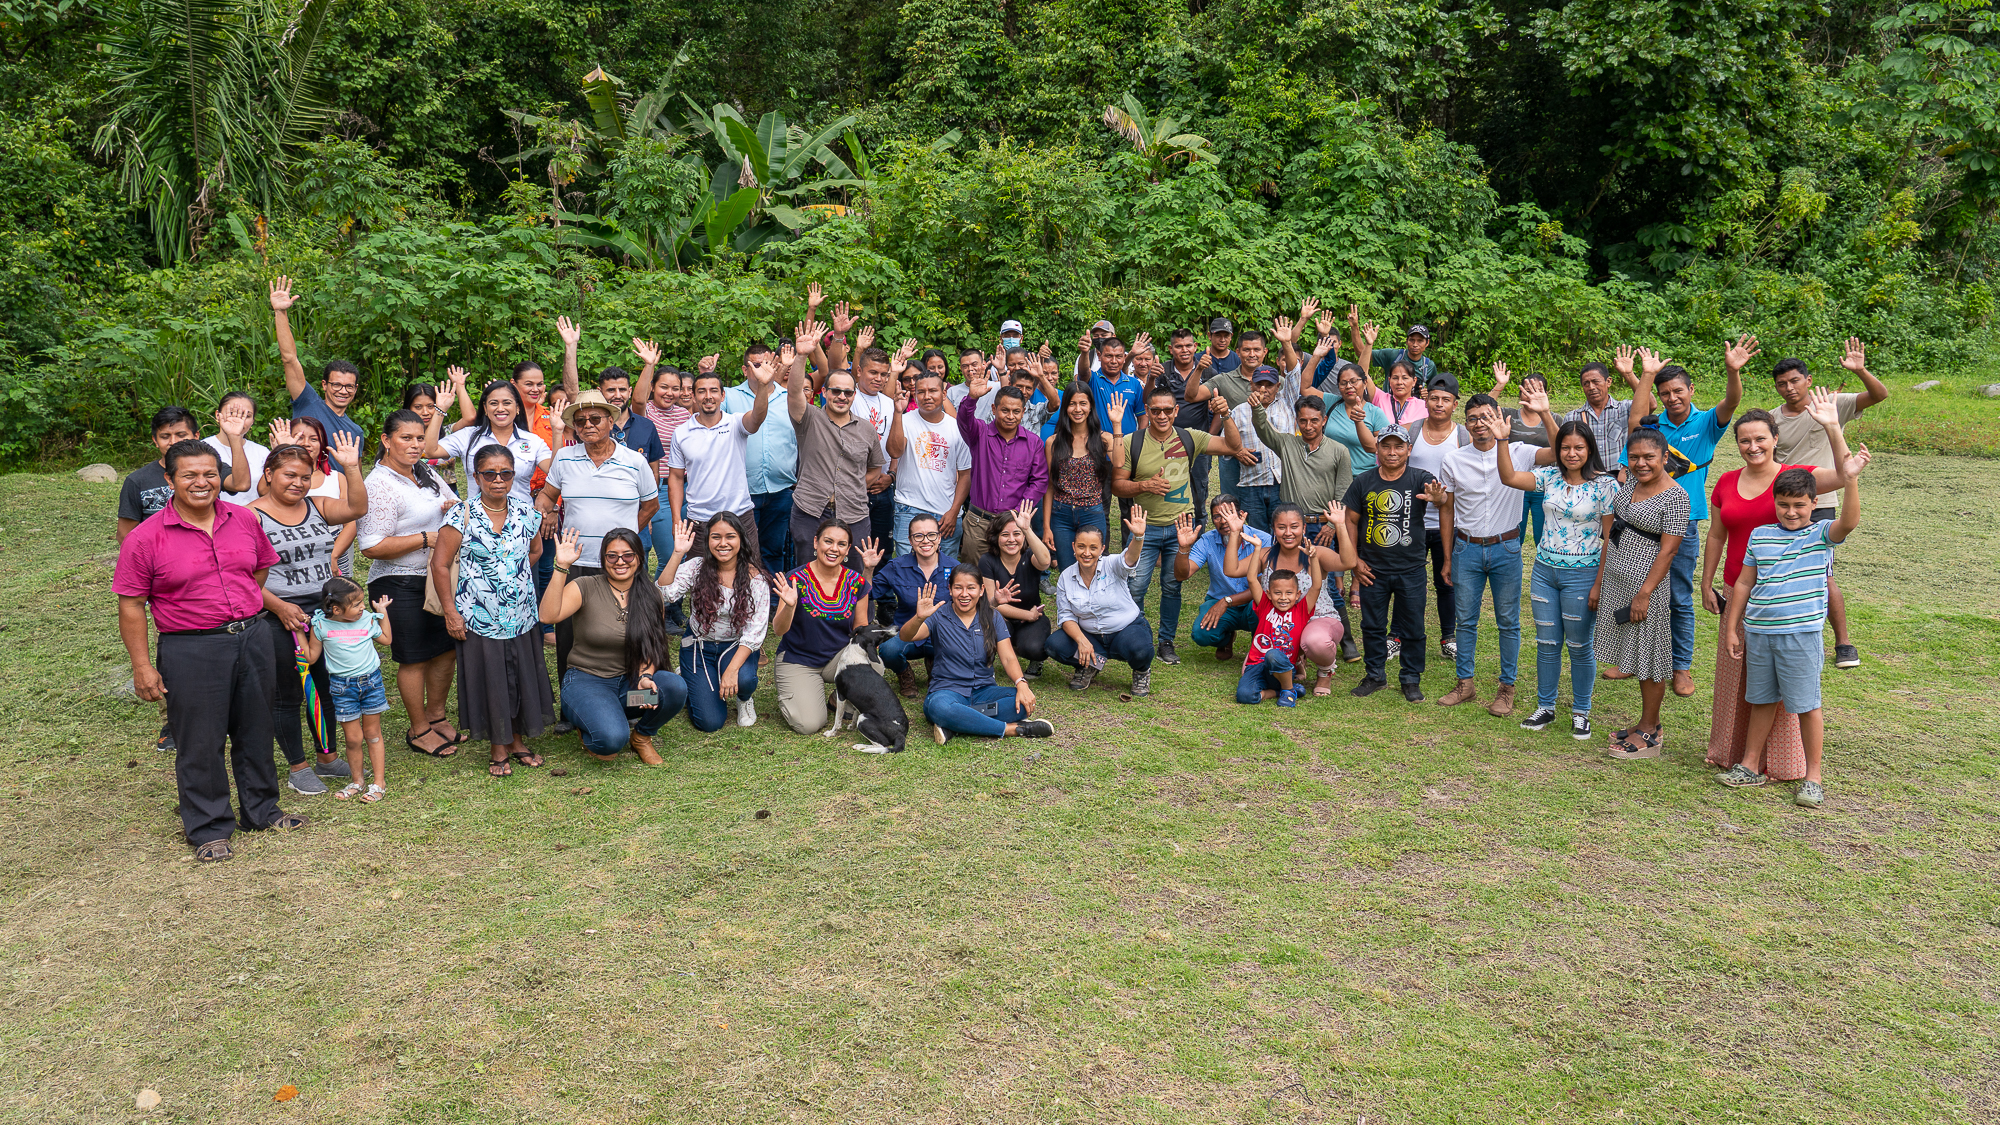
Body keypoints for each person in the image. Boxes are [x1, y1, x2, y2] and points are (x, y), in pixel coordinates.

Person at [115, 439, 306, 862]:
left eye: (209, 474)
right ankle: (208, 827)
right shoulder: (145, 538)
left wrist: (238, 608)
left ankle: (261, 810)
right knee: (200, 741)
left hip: (252, 637)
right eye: (189, 475)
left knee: (256, 729)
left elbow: (259, 567)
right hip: (191, 648)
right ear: (170, 480)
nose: (202, 483)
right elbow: (130, 604)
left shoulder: (243, 518)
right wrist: (143, 667)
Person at [1703, 396, 1862, 783]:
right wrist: (1706, 582)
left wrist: (1832, 427)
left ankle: (1794, 766)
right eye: (1744, 440)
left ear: (1775, 438)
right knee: (1743, 683)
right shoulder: (1726, 482)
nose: (1753, 446)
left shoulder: (1795, 478)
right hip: (1744, 594)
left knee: (1792, 693)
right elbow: (1717, 533)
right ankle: (1736, 756)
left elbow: (1846, 473)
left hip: (1792, 609)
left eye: (1760, 438)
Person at [1616, 338, 1749, 698]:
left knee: (1677, 596)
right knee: (1633, 588)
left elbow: (1732, 402)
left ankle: (1681, 667)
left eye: (1678, 391)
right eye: (1665, 392)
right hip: (1642, 520)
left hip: (1682, 521)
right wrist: (1645, 376)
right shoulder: (1655, 423)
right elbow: (1634, 419)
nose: (1673, 398)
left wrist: (1732, 371)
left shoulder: (1706, 423)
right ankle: (1632, 658)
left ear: (1691, 390)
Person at [250, 435, 370, 795]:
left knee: (328, 688)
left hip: (324, 614)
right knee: (289, 694)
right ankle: (298, 766)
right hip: (279, 615)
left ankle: (327, 757)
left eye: (304, 477)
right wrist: (280, 607)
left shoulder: (318, 505)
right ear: (269, 474)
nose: (297, 483)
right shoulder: (249, 516)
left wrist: (351, 466)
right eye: (289, 475)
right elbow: (239, 577)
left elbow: (358, 508)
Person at [433, 445, 555, 777]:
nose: (498, 480)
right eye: (489, 473)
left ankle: (516, 741)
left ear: (514, 476)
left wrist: (511, 580)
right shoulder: (462, 514)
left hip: (522, 615)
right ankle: (497, 747)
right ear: (476, 477)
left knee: (520, 675)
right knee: (491, 679)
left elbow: (536, 551)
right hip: (478, 615)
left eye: (505, 473)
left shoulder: (527, 512)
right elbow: (441, 565)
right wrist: (451, 612)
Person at [1769, 338, 1889, 669]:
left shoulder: (1831, 404)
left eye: (1795, 381)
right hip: (1782, 502)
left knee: (1822, 573)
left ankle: (1843, 643)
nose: (1789, 388)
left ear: (1808, 380)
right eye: (1782, 383)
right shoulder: (1771, 419)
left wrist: (1861, 370)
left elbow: (1880, 395)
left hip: (1821, 501)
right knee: (1781, 569)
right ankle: (1791, 634)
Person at [1495, 420, 1619, 739]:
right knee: (1547, 644)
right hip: (1544, 572)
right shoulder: (1548, 476)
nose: (1571, 453)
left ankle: (1581, 712)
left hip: (1584, 575)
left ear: (1589, 448)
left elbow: (1610, 538)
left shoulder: (1605, 486)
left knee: (1579, 646)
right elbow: (1508, 477)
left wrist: (1598, 584)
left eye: (1578, 447)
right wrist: (1502, 440)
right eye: (1565, 447)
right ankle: (1545, 707)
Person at [1112, 385, 1247, 666]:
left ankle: (1166, 642)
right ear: (1147, 412)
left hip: (1179, 529)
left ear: (1176, 411)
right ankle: (1137, 638)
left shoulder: (1189, 438)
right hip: (1144, 528)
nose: (1161, 415)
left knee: (1173, 587)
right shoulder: (1131, 442)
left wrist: (1226, 415)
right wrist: (1144, 485)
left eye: (1167, 410)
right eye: (1155, 410)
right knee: (1135, 588)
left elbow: (1233, 447)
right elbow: (1117, 485)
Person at [355, 409, 462, 758]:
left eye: (419, 438)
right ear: (386, 441)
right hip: (397, 581)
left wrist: (449, 507)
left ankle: (437, 716)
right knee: (414, 657)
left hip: (437, 577)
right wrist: (426, 538)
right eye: (406, 438)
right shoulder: (378, 485)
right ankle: (418, 729)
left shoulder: (425, 471)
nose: (415, 445)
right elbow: (371, 545)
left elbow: (456, 505)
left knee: (445, 650)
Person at [538, 389, 659, 688]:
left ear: (610, 420)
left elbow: (651, 505)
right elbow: (546, 495)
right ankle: (572, 704)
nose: (588, 425)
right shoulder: (565, 458)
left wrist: (626, 537)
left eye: (595, 419)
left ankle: (634, 697)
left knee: (633, 631)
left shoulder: (634, 461)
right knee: (569, 633)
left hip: (622, 564)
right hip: (576, 561)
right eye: (580, 422)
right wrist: (550, 509)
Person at [1433, 391, 1544, 716]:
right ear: (1465, 424)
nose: (1480, 424)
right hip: (1466, 548)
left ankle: (1506, 688)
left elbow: (1560, 454)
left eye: (1486, 417)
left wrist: (1546, 413)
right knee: (1466, 620)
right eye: (1473, 419)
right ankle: (1464, 684)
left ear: (1500, 419)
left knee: (1508, 622)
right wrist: (1448, 556)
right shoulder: (1454, 459)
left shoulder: (1520, 453)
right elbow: (1448, 510)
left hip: (1506, 548)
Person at [539, 527, 687, 762]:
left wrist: (645, 676)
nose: (620, 561)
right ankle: (590, 718)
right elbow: (547, 616)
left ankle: (641, 736)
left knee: (673, 688)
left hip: (628, 693)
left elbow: (653, 645)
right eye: (612, 556)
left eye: (628, 555)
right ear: (603, 559)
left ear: (639, 557)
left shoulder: (650, 595)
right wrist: (561, 567)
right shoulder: (585, 586)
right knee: (610, 742)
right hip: (587, 682)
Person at [1595, 428, 1691, 759]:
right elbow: (1612, 533)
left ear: (1665, 458)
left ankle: (1650, 731)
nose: (1641, 463)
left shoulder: (1676, 497)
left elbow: (1668, 552)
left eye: (1649, 457)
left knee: (1650, 658)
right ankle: (1643, 722)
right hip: (1618, 578)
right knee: (1634, 652)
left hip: (1645, 585)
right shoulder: (1631, 485)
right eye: (1634, 457)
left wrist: (1645, 593)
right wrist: (1599, 582)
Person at [1343, 424, 1451, 700]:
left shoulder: (1420, 478)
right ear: (1377, 449)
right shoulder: (1364, 482)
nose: (1392, 452)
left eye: (1398, 446)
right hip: (1372, 569)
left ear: (1409, 450)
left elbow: (1441, 498)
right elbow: (1351, 521)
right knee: (1372, 625)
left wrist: (1439, 498)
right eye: (1386, 446)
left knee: (1414, 625)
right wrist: (1355, 561)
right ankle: (1375, 675)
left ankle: (1411, 679)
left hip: (1411, 568)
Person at [902, 565, 1055, 743]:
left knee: (1020, 702)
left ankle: (957, 723)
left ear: (981, 590)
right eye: (958, 587)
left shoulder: (993, 617)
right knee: (938, 707)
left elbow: (1008, 657)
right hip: (947, 691)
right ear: (950, 589)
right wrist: (919, 617)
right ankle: (1010, 729)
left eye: (971, 588)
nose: (964, 594)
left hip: (985, 690)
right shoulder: (939, 616)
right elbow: (907, 636)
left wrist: (1021, 684)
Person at [1222, 502, 1357, 697]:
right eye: (1281, 527)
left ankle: (1325, 671)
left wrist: (1340, 525)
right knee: (1250, 671)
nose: (1288, 533)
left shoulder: (1315, 553)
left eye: (1294, 526)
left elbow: (1348, 563)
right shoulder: (1266, 555)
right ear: (1273, 529)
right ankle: (1295, 663)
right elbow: (1231, 570)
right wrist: (1234, 532)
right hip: (1283, 626)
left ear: (1303, 528)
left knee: (1315, 641)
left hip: (1318, 619)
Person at [658, 513, 772, 732]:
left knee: (744, 679)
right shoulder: (697, 567)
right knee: (709, 722)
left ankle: (744, 698)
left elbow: (755, 633)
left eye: (730, 536)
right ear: (708, 540)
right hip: (700, 646)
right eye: (716, 537)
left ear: (741, 539)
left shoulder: (754, 578)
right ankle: (692, 679)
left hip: (735, 646)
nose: (723, 543)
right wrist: (678, 553)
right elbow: (665, 594)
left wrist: (731, 671)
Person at [790, 318, 887, 570]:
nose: (841, 397)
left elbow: (876, 467)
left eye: (847, 392)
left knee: (854, 574)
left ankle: (852, 612)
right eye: (835, 391)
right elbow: (793, 394)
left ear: (854, 396)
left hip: (854, 512)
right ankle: (805, 611)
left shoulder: (866, 428)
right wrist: (801, 356)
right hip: (810, 509)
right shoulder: (809, 418)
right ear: (825, 392)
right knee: (807, 572)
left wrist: (853, 484)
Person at [772, 520, 883, 734]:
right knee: (809, 724)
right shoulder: (795, 580)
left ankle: (836, 698)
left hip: (838, 658)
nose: (834, 549)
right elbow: (778, 630)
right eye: (828, 541)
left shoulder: (855, 581)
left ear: (848, 549)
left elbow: (861, 626)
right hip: (799, 659)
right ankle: (800, 695)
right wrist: (789, 606)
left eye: (841, 544)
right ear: (815, 542)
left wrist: (868, 571)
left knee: (874, 664)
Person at [668, 349, 777, 566]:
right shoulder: (681, 433)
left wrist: (763, 386)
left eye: (714, 391)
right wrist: (676, 520)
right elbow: (676, 478)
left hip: (739, 516)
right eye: (702, 391)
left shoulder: (736, 423)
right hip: (699, 520)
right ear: (694, 396)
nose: (708, 396)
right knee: (701, 581)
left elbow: (757, 417)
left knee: (749, 575)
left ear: (722, 395)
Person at [302, 579, 395, 803]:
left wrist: (382, 613)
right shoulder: (321, 625)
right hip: (342, 688)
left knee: (373, 735)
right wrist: (298, 632)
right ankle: (357, 781)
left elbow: (386, 640)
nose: (363, 607)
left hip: (371, 684)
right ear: (336, 609)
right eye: (357, 604)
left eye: (362, 602)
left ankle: (379, 783)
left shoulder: (366, 619)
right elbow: (311, 657)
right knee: (353, 739)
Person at [1048, 508, 1157, 696]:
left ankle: (1141, 671)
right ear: (1073, 547)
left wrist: (1138, 537)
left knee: (1141, 650)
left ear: (1102, 549)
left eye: (1093, 548)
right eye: (1081, 547)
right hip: (1091, 636)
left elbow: (1129, 559)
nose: (1087, 553)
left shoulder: (1112, 564)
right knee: (1054, 645)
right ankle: (1091, 663)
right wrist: (1082, 641)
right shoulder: (1066, 577)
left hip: (1125, 630)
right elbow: (1066, 617)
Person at [958, 356, 1052, 565]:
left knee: (1010, 581)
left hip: (1013, 525)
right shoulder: (980, 434)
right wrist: (971, 398)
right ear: (994, 410)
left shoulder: (1034, 443)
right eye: (1005, 410)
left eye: (1016, 411)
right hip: (979, 523)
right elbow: (964, 421)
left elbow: (1038, 482)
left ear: (1023, 412)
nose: (1010, 416)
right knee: (973, 579)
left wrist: (1017, 513)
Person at [1406, 373, 1470, 661]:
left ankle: (1449, 637)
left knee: (1446, 581)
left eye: (1446, 400)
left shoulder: (1464, 437)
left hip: (1450, 523)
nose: (1439, 404)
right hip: (1413, 521)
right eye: (1434, 398)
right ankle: (1401, 635)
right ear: (1426, 399)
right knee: (1408, 581)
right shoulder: (1411, 431)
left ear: (1455, 404)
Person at [118, 406, 250, 542]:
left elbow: (240, 484)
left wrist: (234, 438)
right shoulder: (137, 480)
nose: (173, 441)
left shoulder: (209, 469)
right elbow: (125, 534)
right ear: (155, 440)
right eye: (165, 436)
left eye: (181, 435)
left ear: (196, 436)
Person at [423, 371, 553, 508]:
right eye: (493, 403)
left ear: (518, 408)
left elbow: (554, 471)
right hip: (477, 521)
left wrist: (557, 432)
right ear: (485, 408)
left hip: (521, 521)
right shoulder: (468, 436)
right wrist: (440, 410)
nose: (500, 408)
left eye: (507, 403)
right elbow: (430, 451)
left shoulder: (532, 441)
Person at [724, 343, 799, 577]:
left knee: (774, 549)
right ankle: (743, 600)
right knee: (741, 549)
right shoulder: (729, 397)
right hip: (742, 490)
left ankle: (774, 601)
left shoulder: (790, 398)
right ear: (745, 370)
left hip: (781, 490)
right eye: (756, 365)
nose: (761, 370)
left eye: (767, 364)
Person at [886, 357, 971, 557]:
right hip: (909, 508)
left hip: (947, 513)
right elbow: (894, 452)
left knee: (945, 572)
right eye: (921, 391)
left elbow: (965, 475)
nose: (927, 396)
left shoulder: (958, 428)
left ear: (943, 393)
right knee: (908, 571)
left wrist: (954, 511)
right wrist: (897, 413)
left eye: (933, 391)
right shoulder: (904, 420)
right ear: (914, 394)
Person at [271, 277, 366, 447]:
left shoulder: (355, 432)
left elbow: (354, 472)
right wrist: (280, 312)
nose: (343, 391)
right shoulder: (308, 402)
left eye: (349, 386)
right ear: (324, 385)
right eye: (336, 384)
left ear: (355, 389)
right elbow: (289, 359)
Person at [874, 513, 961, 696]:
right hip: (908, 633)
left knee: (961, 649)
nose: (925, 541)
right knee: (887, 650)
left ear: (939, 537)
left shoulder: (954, 568)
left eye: (931, 535)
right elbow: (868, 593)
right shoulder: (896, 566)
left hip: (942, 634)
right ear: (910, 541)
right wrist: (867, 569)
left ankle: (936, 667)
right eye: (918, 536)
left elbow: (968, 602)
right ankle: (903, 672)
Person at [1175, 497, 1269, 663]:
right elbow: (1182, 575)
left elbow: (1263, 585)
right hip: (1219, 600)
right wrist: (1183, 548)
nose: (1224, 520)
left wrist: (1228, 601)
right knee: (1201, 634)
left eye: (1228, 513)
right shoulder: (1207, 540)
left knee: (1262, 608)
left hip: (1252, 601)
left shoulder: (1263, 539)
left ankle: (1260, 648)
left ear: (1241, 515)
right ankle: (1226, 639)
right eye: (1217, 516)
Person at [267, 416, 358, 578]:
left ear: (322, 444)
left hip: (335, 549)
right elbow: (262, 490)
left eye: (314, 439)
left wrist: (333, 556)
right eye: (299, 437)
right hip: (292, 551)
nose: (306, 443)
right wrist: (282, 451)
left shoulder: (337, 478)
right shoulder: (279, 479)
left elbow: (351, 524)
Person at [1044, 385, 1120, 573]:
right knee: (1067, 570)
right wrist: (1046, 526)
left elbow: (1118, 462)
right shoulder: (1053, 442)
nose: (1078, 409)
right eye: (1072, 404)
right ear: (1065, 408)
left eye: (1083, 404)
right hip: (1061, 515)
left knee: (1093, 569)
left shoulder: (1104, 439)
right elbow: (1049, 487)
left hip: (1092, 512)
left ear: (1091, 406)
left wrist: (1117, 424)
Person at [634, 344, 695, 569]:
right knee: (670, 556)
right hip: (659, 488)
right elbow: (638, 400)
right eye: (664, 387)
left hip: (689, 488)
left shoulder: (684, 414)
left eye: (675, 388)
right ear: (652, 387)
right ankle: (665, 604)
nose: (670, 393)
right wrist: (649, 364)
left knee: (689, 553)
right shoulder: (645, 412)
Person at [979, 507, 1053, 675]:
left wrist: (1027, 529)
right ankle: (995, 656)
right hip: (1004, 618)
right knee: (992, 626)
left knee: (1035, 648)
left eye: (1017, 534)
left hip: (1033, 619)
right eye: (1005, 535)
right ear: (996, 538)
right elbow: (993, 605)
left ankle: (1030, 655)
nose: (1011, 540)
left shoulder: (1029, 556)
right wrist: (1028, 615)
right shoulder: (987, 561)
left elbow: (1045, 561)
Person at [1567, 351, 1640, 480]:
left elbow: (1650, 403)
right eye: (1586, 384)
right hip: (1588, 481)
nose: (1591, 387)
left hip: (1620, 479)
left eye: (1596, 382)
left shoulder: (1625, 409)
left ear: (1608, 382)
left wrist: (1628, 374)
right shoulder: (1572, 417)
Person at [1321, 363, 1386, 475]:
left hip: (1362, 479)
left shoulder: (1376, 413)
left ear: (1365, 383)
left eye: (1354, 381)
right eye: (1343, 383)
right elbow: (1304, 388)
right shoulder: (1332, 402)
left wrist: (1359, 422)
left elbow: (1375, 448)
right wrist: (1317, 356)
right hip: (1331, 478)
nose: (1349, 386)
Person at [207, 391, 268, 505]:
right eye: (232, 413)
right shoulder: (202, 448)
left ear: (253, 420)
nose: (239, 420)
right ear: (217, 415)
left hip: (254, 517)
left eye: (246, 415)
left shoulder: (262, 452)